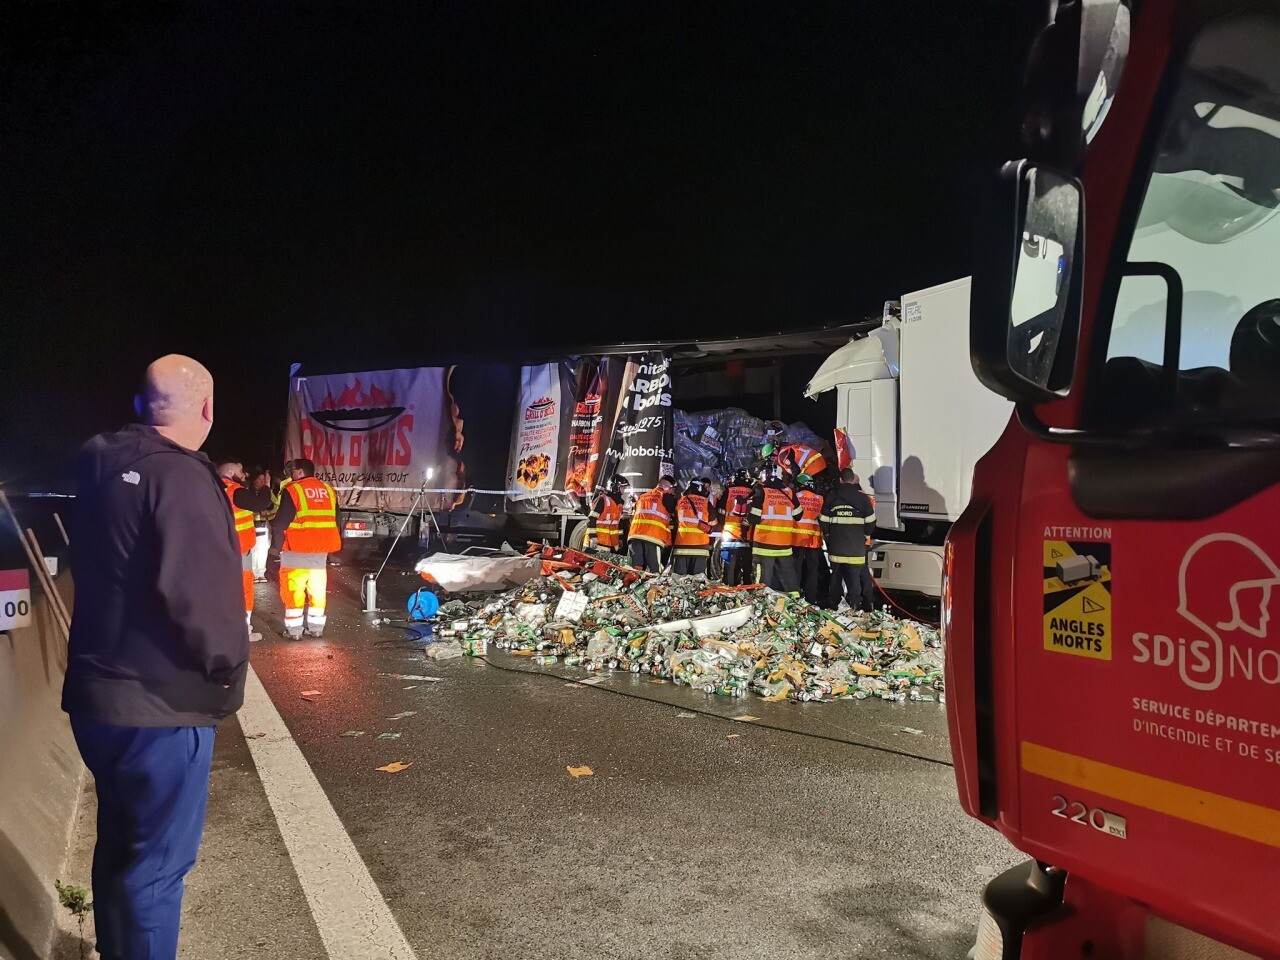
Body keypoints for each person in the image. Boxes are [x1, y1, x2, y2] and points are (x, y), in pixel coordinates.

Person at [63, 354, 248, 960]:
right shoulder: (180, 476)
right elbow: (202, 594)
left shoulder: (98, 465)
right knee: (157, 871)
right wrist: (225, 671)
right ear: (205, 408)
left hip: (98, 698)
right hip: (161, 704)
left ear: (144, 405)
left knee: (121, 852)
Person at [270, 458, 341, 638]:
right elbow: (336, 520)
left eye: (293, 471)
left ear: (300, 472)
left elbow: (281, 522)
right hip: (320, 550)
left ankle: (294, 631)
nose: (291, 475)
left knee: (294, 590)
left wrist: (274, 539)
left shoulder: (293, 490)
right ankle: (316, 629)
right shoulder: (328, 490)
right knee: (317, 591)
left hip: (296, 548)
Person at [217, 462, 266, 642]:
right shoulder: (235, 491)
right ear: (230, 472)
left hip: (217, 548)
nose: (244, 474)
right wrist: (265, 486)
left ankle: (220, 630)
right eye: (240, 470)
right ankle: (244, 631)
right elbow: (261, 503)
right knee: (244, 590)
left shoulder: (210, 488)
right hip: (239, 548)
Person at [821, 468, 877, 611]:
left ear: (840, 480)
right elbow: (871, 522)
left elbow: (823, 521)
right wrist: (865, 535)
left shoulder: (831, 497)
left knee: (836, 577)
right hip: (855, 548)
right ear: (853, 480)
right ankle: (854, 605)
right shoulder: (863, 499)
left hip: (837, 546)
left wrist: (828, 534)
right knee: (854, 578)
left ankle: (834, 604)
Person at [748, 466, 803, 593]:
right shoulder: (789, 492)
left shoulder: (761, 491)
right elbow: (798, 515)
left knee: (762, 582)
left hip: (764, 545)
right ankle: (796, 606)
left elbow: (754, 518)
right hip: (784, 545)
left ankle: (760, 606)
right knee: (789, 579)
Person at [791, 473, 829, 606]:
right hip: (814, 540)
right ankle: (811, 598)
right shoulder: (820, 499)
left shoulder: (795, 497)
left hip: (797, 538)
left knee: (796, 568)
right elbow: (823, 519)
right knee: (813, 570)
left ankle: (795, 596)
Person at [627, 475, 677, 573]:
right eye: (673, 489)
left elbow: (632, 516)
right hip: (653, 538)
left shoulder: (642, 496)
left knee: (634, 570)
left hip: (634, 536)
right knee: (654, 571)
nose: (673, 492)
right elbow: (678, 513)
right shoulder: (666, 497)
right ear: (667, 487)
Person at [672, 477, 717, 576]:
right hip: (700, 547)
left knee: (679, 580)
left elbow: (674, 517)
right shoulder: (706, 502)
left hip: (681, 546)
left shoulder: (681, 501)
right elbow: (714, 522)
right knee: (698, 581)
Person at [719, 469, 755, 586]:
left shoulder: (728, 491)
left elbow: (720, 510)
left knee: (729, 565)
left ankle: (728, 587)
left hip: (729, 533)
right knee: (747, 566)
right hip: (747, 534)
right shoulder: (752, 491)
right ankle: (747, 590)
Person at [587, 475, 628, 553]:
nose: (624, 490)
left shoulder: (619, 503)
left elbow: (618, 523)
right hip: (599, 543)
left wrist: (620, 539)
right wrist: (593, 537)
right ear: (615, 488)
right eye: (623, 487)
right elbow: (591, 518)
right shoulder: (602, 500)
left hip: (612, 543)